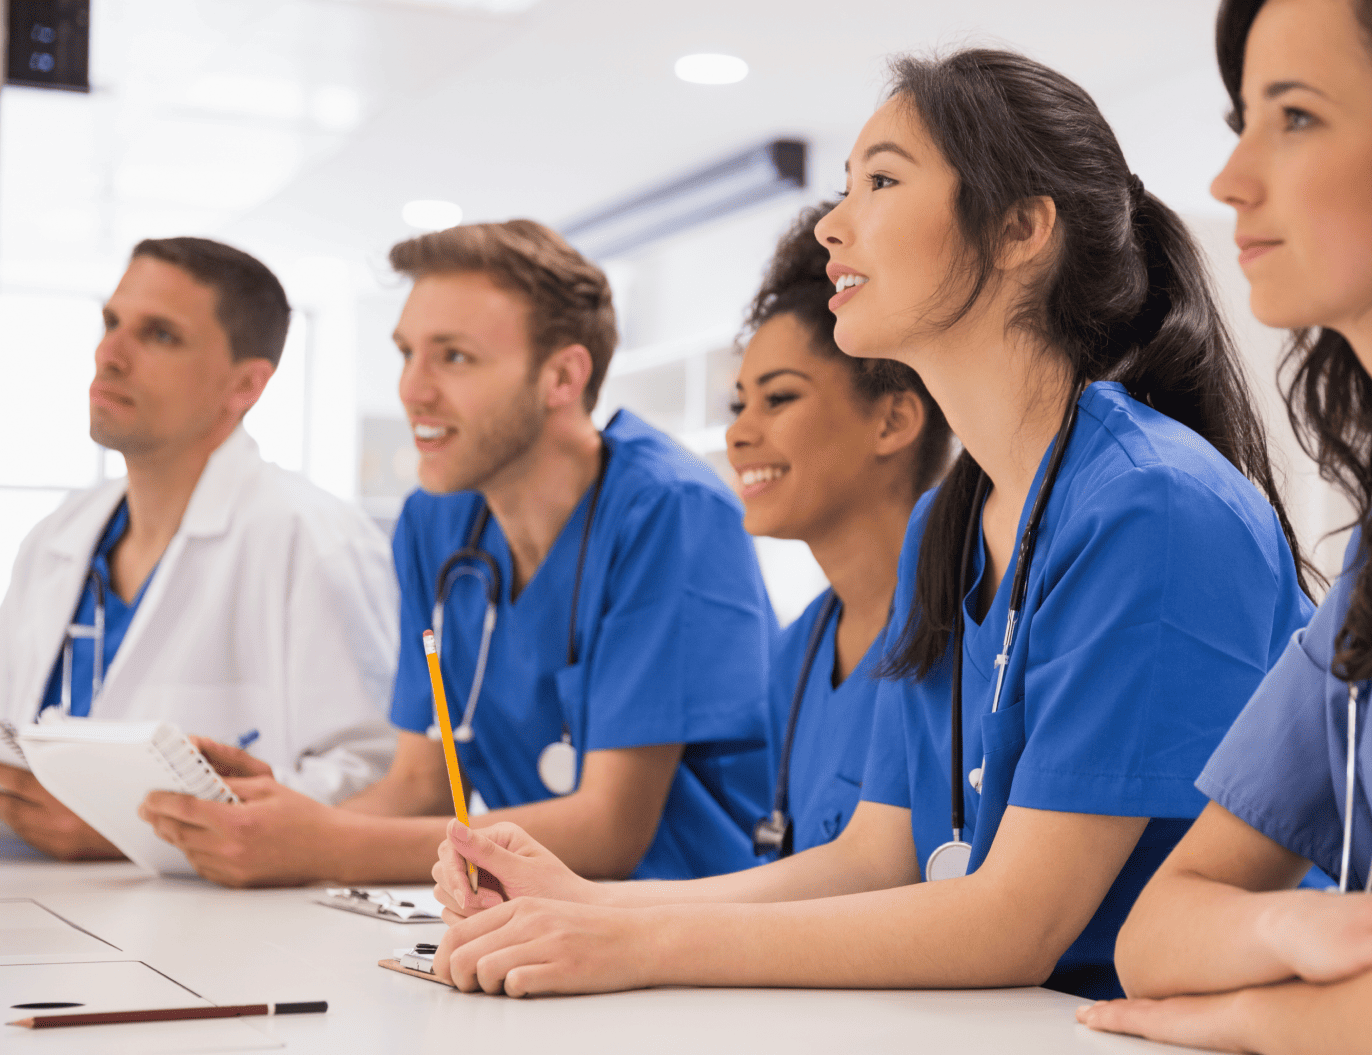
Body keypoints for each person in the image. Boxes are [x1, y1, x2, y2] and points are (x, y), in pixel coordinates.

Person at [425, 47, 1313, 1000]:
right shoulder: (950, 516)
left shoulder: (1154, 504)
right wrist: (589, 904)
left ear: (1020, 229)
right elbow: (873, 857)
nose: (834, 228)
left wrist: (634, 947)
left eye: (881, 180)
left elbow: (1013, 925)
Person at [137, 220, 776, 888]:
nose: (413, 389)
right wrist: (274, 830)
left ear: (562, 374)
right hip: (536, 921)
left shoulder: (670, 510)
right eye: (407, 352)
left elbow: (609, 828)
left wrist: (325, 845)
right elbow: (419, 782)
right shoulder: (436, 521)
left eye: (455, 357)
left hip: (691, 931)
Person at [1080, 0, 1372, 1050]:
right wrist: (1305, 923)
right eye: (1241, 118)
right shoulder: (1365, 581)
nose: (1226, 178)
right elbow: (1154, 933)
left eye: (1293, 116)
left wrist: (1250, 1008)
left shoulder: (1158, 498)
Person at [0, 237, 398, 862]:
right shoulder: (58, 536)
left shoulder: (313, 538)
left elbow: (376, 779)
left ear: (245, 384)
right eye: (111, 322)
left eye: (158, 335)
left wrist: (132, 823)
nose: (110, 354)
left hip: (204, 936)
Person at [734, 203, 952, 858]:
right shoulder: (797, 653)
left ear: (892, 421)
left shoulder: (960, 629)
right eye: (737, 403)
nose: (739, 433)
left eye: (778, 398)